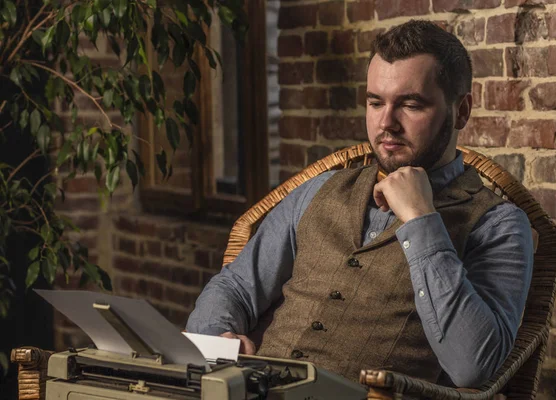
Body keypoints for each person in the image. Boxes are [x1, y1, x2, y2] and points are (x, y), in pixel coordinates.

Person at [186, 20, 533, 388]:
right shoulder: (319, 189)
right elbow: (236, 287)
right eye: (374, 102)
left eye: (411, 104)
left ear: (461, 111)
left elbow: (473, 366)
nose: (386, 123)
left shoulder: (498, 225)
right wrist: (218, 338)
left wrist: (420, 219)